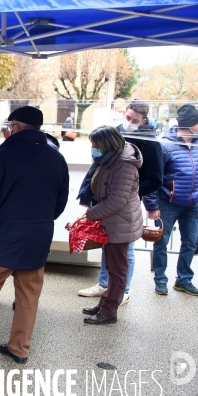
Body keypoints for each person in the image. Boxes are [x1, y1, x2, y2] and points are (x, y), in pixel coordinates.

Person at [0, 106, 69, 366]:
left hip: (2, 240)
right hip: (37, 240)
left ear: (16, 127)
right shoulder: (56, 158)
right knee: (28, 297)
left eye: (9, 126)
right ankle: (19, 349)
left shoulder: (4, 155)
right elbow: (59, 205)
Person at [78, 101, 163, 303]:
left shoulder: (151, 143)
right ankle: (104, 284)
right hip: (106, 199)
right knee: (109, 243)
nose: (130, 122)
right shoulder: (114, 133)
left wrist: (129, 191)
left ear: (144, 120)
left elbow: (155, 179)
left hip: (124, 203)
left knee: (125, 248)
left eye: (135, 120)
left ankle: (122, 291)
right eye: (128, 117)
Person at [78, 126, 143, 324]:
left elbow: (117, 201)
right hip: (114, 222)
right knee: (112, 266)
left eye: (95, 144)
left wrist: (90, 214)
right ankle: (104, 303)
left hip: (120, 223)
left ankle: (109, 311)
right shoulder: (111, 158)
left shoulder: (123, 164)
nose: (93, 148)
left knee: (117, 270)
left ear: (107, 144)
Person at [144, 104, 198, 296]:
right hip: (167, 202)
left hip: (192, 204)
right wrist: (152, 206)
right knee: (161, 242)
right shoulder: (165, 145)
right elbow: (153, 176)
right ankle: (160, 280)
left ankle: (184, 279)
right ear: (193, 124)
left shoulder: (197, 144)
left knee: (191, 242)